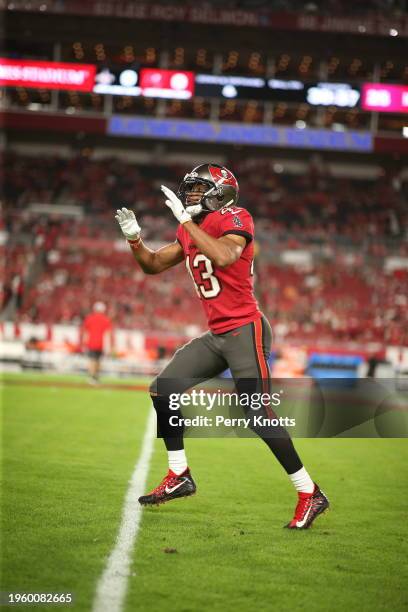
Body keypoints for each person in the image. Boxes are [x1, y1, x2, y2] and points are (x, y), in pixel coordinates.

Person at [115, 163, 329, 529]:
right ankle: (179, 474)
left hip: (245, 329)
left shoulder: (236, 216)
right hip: (218, 335)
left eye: (199, 190)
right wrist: (134, 239)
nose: (190, 195)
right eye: (190, 189)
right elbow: (151, 265)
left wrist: (187, 224)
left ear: (221, 193)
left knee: (257, 415)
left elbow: (226, 255)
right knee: (163, 388)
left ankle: (309, 493)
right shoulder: (191, 230)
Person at [80, 302, 113, 384]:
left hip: (91, 343)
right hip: (101, 344)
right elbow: (107, 334)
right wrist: (108, 346)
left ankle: (92, 377)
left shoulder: (89, 318)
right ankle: (96, 377)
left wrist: (84, 343)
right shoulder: (106, 319)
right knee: (98, 361)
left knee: (92, 360)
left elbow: (85, 332)